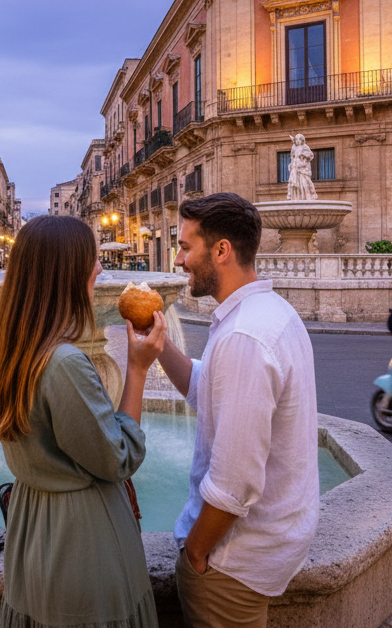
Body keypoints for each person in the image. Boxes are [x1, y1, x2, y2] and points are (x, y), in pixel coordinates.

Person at [0, 215, 166, 628]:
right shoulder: (65, 364)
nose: (100, 268)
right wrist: (137, 369)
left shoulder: (9, 350)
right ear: (67, 272)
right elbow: (118, 459)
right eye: (93, 260)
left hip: (32, 531)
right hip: (82, 543)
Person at [156, 192, 318, 628]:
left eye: (186, 246)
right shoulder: (269, 311)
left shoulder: (245, 335)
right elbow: (204, 386)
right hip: (264, 548)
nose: (178, 259)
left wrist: (196, 553)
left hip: (232, 565)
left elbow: (234, 483)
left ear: (221, 250)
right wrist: (159, 345)